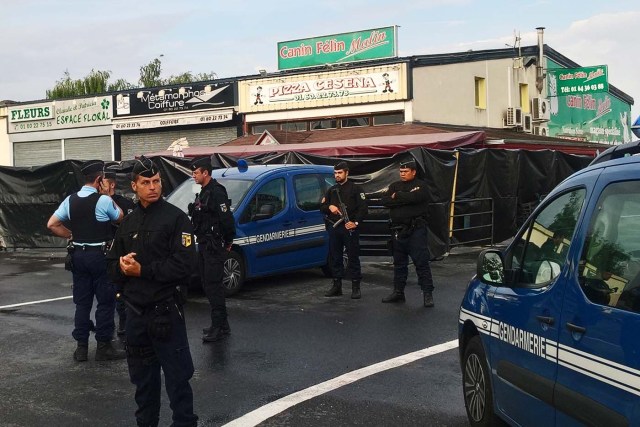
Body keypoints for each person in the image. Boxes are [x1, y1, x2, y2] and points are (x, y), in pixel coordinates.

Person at [106, 156, 198, 427]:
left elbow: (185, 266)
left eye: (156, 181)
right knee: (143, 386)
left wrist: (142, 271)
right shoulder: (128, 223)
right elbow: (111, 266)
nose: (153, 187)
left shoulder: (176, 219)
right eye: (146, 182)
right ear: (134, 185)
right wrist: (122, 268)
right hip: (136, 317)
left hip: (166, 313)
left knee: (178, 381)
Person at [46, 159, 125, 361]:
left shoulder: (70, 200)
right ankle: (104, 346)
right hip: (100, 257)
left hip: (78, 256)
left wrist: (71, 235)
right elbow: (120, 217)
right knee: (105, 302)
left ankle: (81, 348)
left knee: (82, 304)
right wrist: (107, 195)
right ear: (99, 179)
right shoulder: (103, 200)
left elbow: (52, 224)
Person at [189, 156, 236, 342]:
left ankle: (218, 327)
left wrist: (228, 240)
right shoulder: (203, 192)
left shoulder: (217, 192)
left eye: (196, 172)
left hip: (214, 246)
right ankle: (222, 324)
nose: (193, 176)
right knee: (207, 285)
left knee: (214, 286)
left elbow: (226, 219)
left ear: (205, 173)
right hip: (204, 244)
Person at [381, 158, 435, 307]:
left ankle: (427, 293)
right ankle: (398, 292)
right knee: (399, 263)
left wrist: (398, 196)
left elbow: (417, 198)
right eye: (401, 171)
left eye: (406, 171)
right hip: (398, 230)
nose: (403, 174)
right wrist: (403, 198)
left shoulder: (421, 186)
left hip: (415, 230)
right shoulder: (394, 185)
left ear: (414, 172)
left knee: (421, 262)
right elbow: (385, 201)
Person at [320, 161, 368, 299]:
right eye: (335, 173)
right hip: (335, 227)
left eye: (340, 173)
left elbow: (363, 209)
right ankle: (337, 285)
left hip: (349, 227)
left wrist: (355, 222)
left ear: (347, 173)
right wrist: (329, 207)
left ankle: (355, 286)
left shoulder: (356, 189)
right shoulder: (331, 190)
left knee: (353, 257)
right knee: (335, 257)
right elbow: (321, 207)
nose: (337, 175)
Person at [101, 169, 136, 336]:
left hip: (121, 252)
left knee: (121, 290)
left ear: (112, 185)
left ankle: (124, 322)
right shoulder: (96, 202)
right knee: (107, 292)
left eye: (104, 183)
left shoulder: (125, 203)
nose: (100, 186)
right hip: (103, 252)